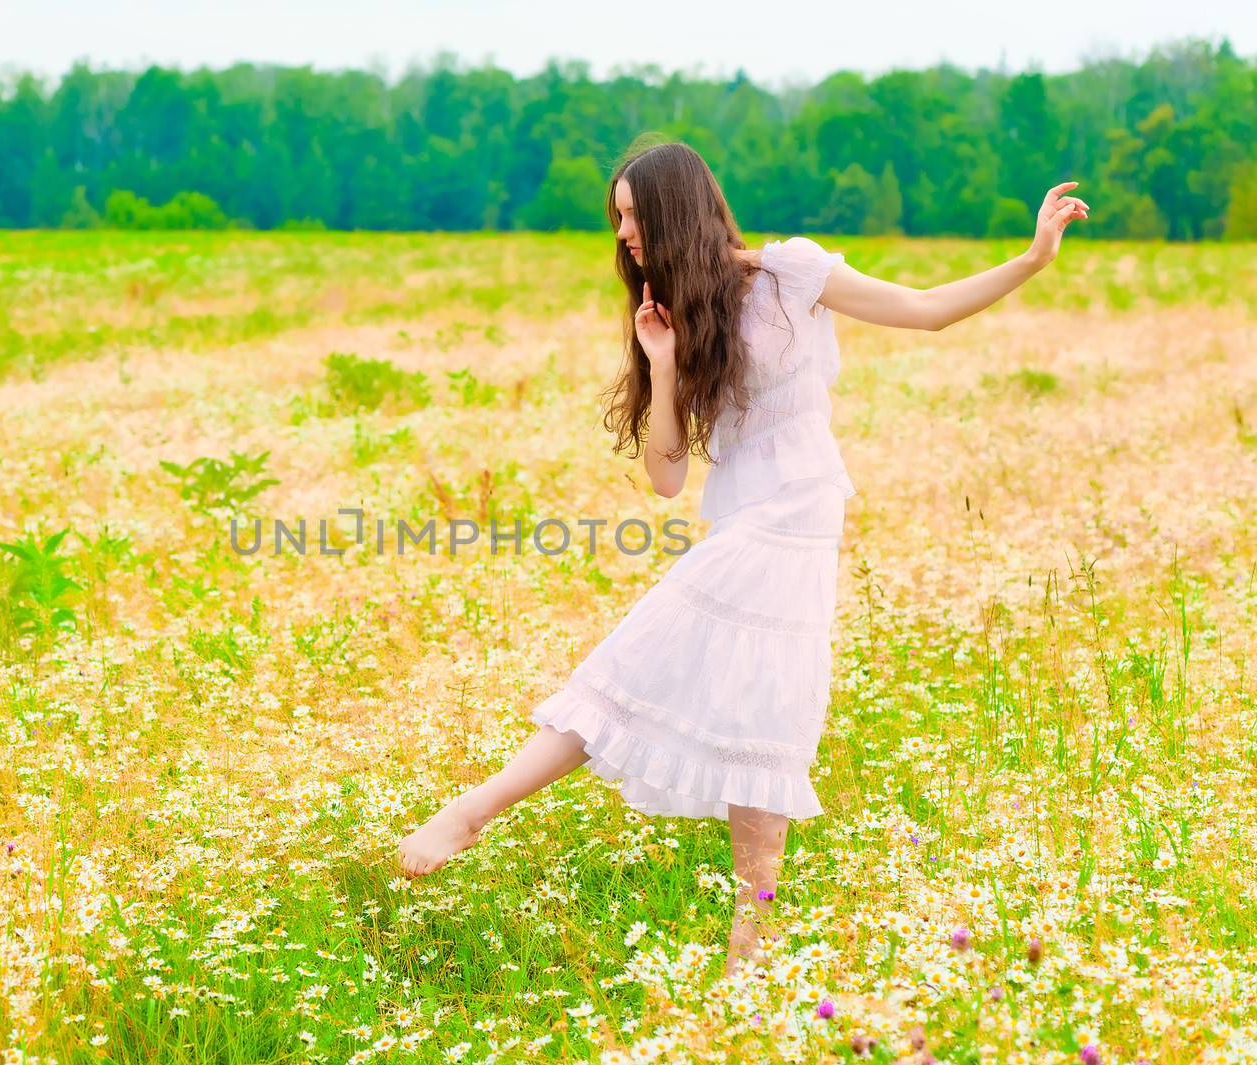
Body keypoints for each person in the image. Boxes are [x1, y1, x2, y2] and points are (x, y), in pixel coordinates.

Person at [396, 137, 1088, 975]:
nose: (624, 237)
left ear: (675, 210)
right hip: (743, 526)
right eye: (617, 220)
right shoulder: (670, 318)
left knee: (753, 712)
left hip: (802, 519)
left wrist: (1032, 257)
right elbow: (664, 475)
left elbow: (928, 308)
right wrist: (661, 363)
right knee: (664, 677)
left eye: (632, 217)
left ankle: (741, 942)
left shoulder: (792, 273)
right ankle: (486, 814)